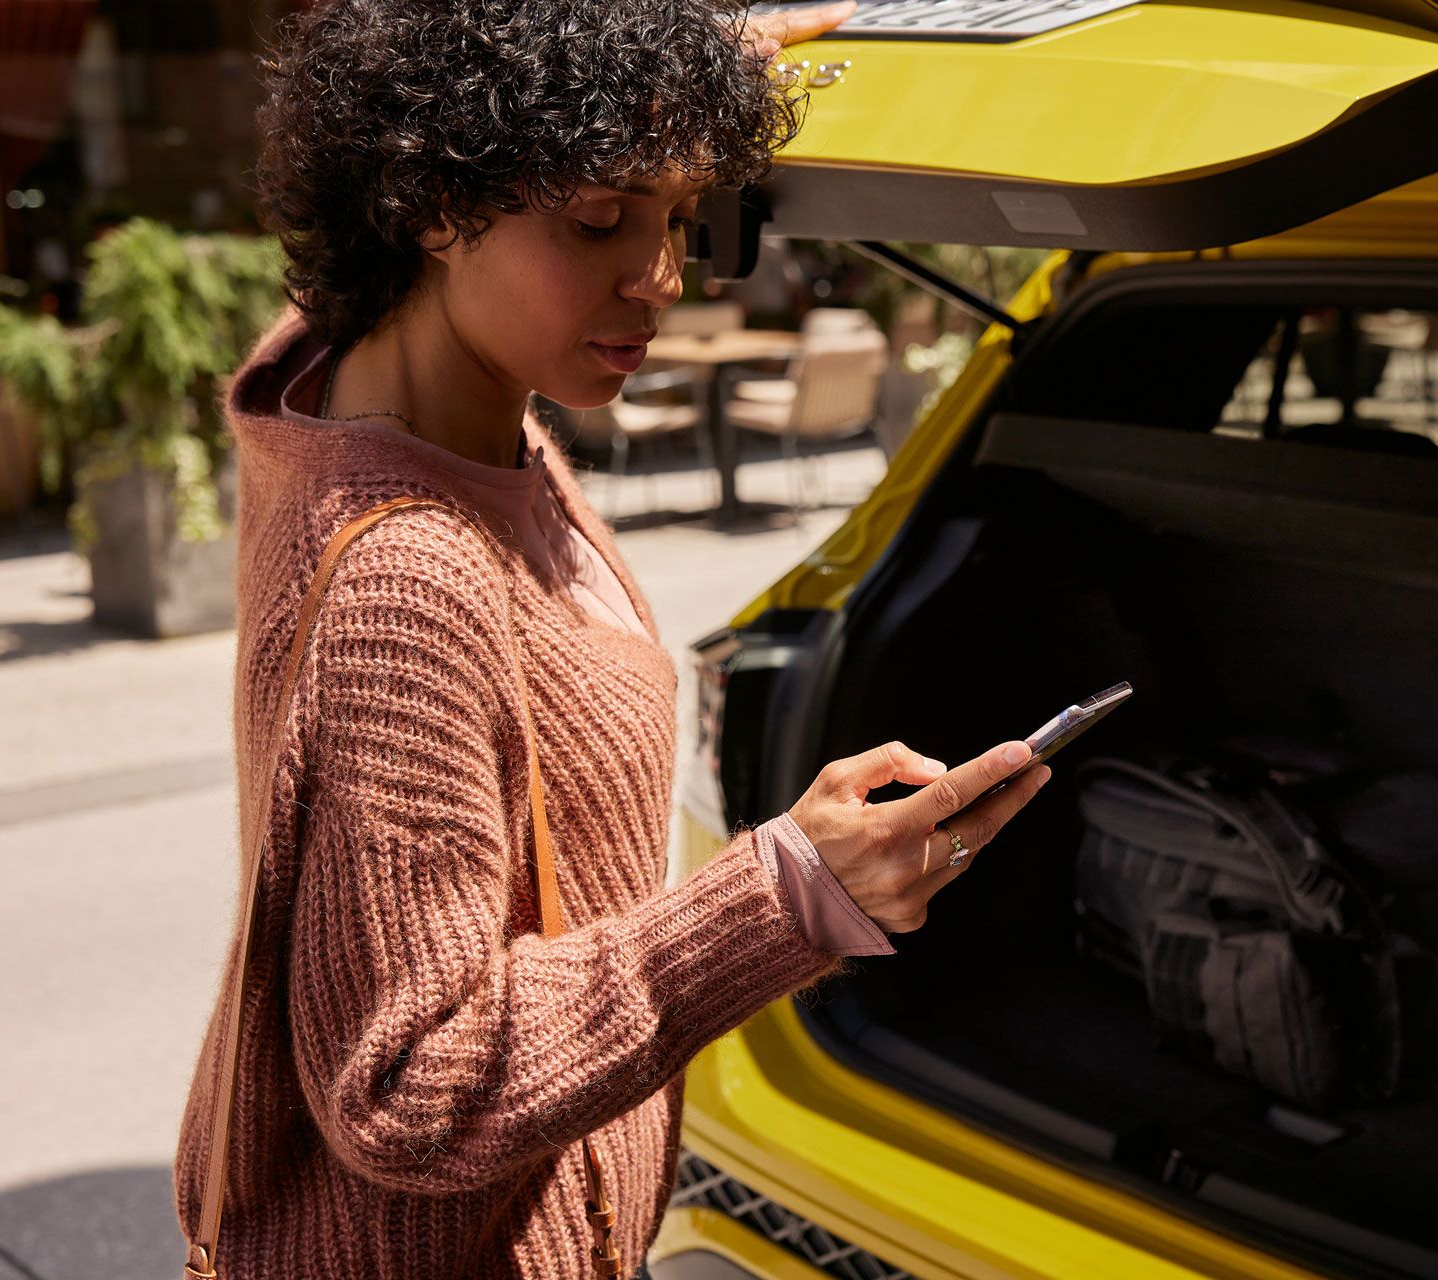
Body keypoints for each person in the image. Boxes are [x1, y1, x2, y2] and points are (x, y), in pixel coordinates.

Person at [171, 3, 1053, 1277]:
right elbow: (410, 1084)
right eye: (599, 219)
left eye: (682, 221)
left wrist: (666, 66)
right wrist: (790, 893)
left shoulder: (349, 396)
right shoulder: (407, 585)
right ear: (428, 198)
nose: (661, 279)